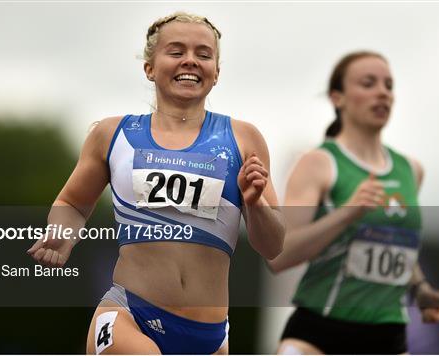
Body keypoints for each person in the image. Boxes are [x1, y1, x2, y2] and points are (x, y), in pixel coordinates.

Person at [27, 12, 284, 355]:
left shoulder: (244, 139)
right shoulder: (113, 135)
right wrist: (62, 233)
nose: (190, 60)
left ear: (216, 72)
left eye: (203, 54)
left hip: (209, 337)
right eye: (176, 52)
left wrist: (255, 203)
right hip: (129, 314)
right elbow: (73, 203)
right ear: (150, 67)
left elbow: (273, 245)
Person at [268, 51, 439, 354]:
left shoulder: (411, 169)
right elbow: (279, 257)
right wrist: (346, 214)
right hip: (319, 333)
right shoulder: (318, 163)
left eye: (389, 85)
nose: (382, 92)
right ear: (338, 98)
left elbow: (395, 245)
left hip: (387, 337)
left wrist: (420, 288)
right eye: (368, 83)